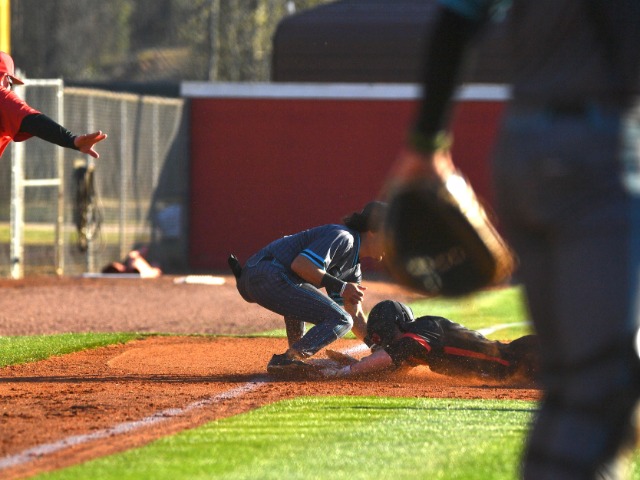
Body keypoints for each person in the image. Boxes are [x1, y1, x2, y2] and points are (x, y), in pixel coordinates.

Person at [385, 1, 640, 478]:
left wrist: (425, 144)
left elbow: (456, 19)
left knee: (567, 378)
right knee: (606, 384)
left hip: (522, 149)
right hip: (602, 151)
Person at [229, 201, 388, 376]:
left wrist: (377, 347)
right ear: (373, 230)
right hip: (265, 273)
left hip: (262, 279)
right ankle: (290, 358)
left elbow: (355, 314)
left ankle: (292, 359)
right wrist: (342, 286)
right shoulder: (344, 237)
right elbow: (301, 264)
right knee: (341, 319)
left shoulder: (353, 268)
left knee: (309, 297)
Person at [321, 299, 539, 382]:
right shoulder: (415, 348)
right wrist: (352, 365)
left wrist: (344, 372)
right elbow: (386, 368)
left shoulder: (425, 328)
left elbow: (385, 357)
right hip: (511, 369)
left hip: (523, 358)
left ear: (398, 324)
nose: (389, 344)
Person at [0, 51, 106, 158]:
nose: (10, 88)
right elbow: (32, 120)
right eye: (10, 83)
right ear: (5, 77)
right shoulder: (2, 96)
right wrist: (71, 140)